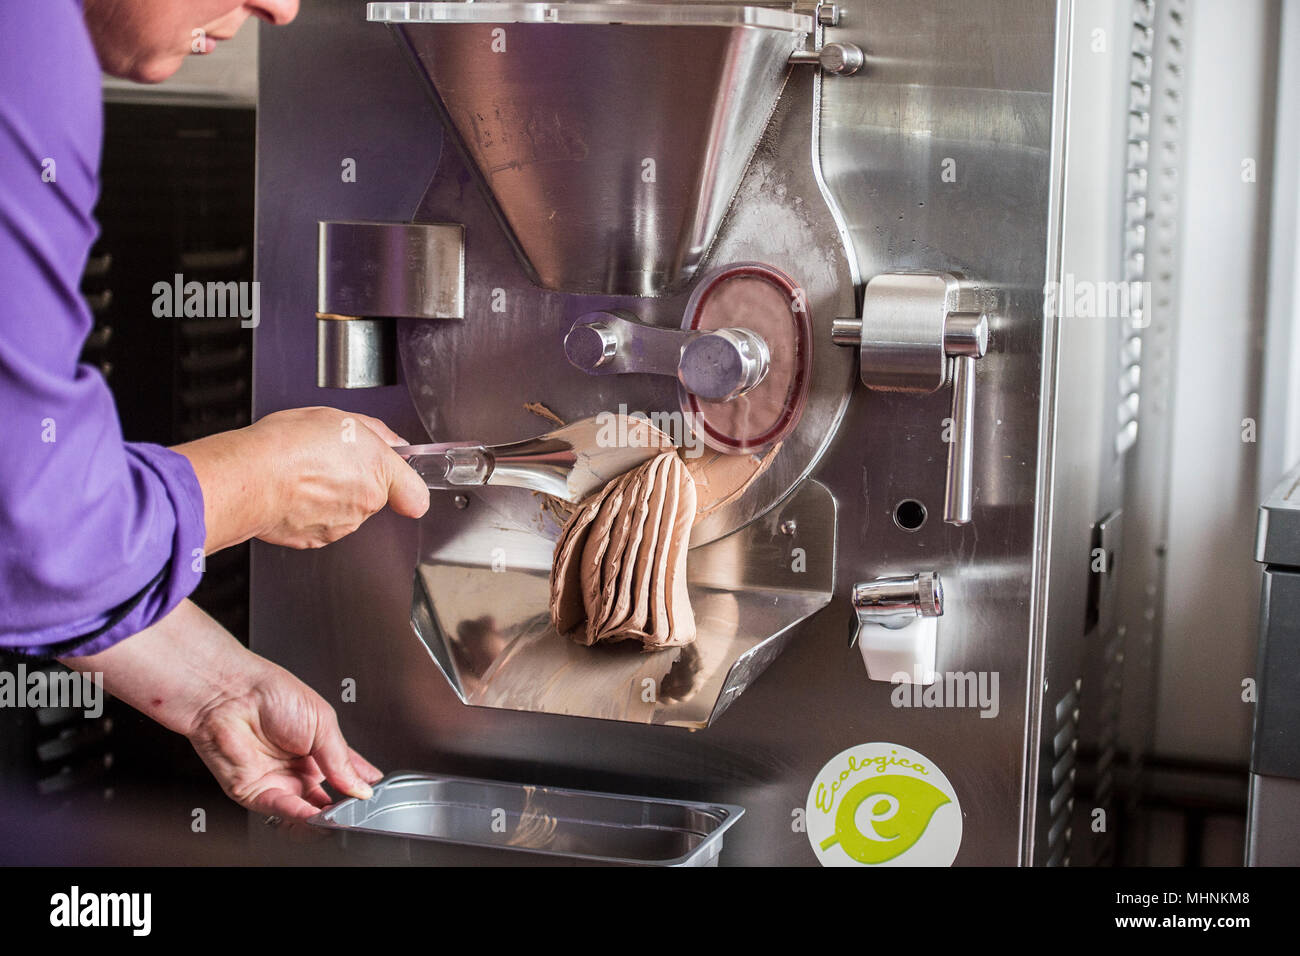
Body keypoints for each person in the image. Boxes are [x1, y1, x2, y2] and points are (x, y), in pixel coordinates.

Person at [0, 0, 431, 820]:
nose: (282, 7)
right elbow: (35, 523)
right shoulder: (24, 38)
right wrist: (266, 478)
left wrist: (213, 690)